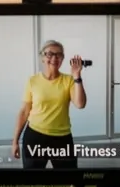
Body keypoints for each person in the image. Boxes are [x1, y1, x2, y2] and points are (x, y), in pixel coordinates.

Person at [12, 40, 86, 169]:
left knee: (70, 178)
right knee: (33, 181)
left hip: (62, 138)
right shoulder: (32, 81)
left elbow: (80, 104)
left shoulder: (69, 80)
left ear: (62, 59)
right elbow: (24, 112)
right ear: (42, 58)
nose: (54, 58)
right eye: (49, 54)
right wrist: (15, 142)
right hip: (35, 136)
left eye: (59, 55)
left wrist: (77, 76)